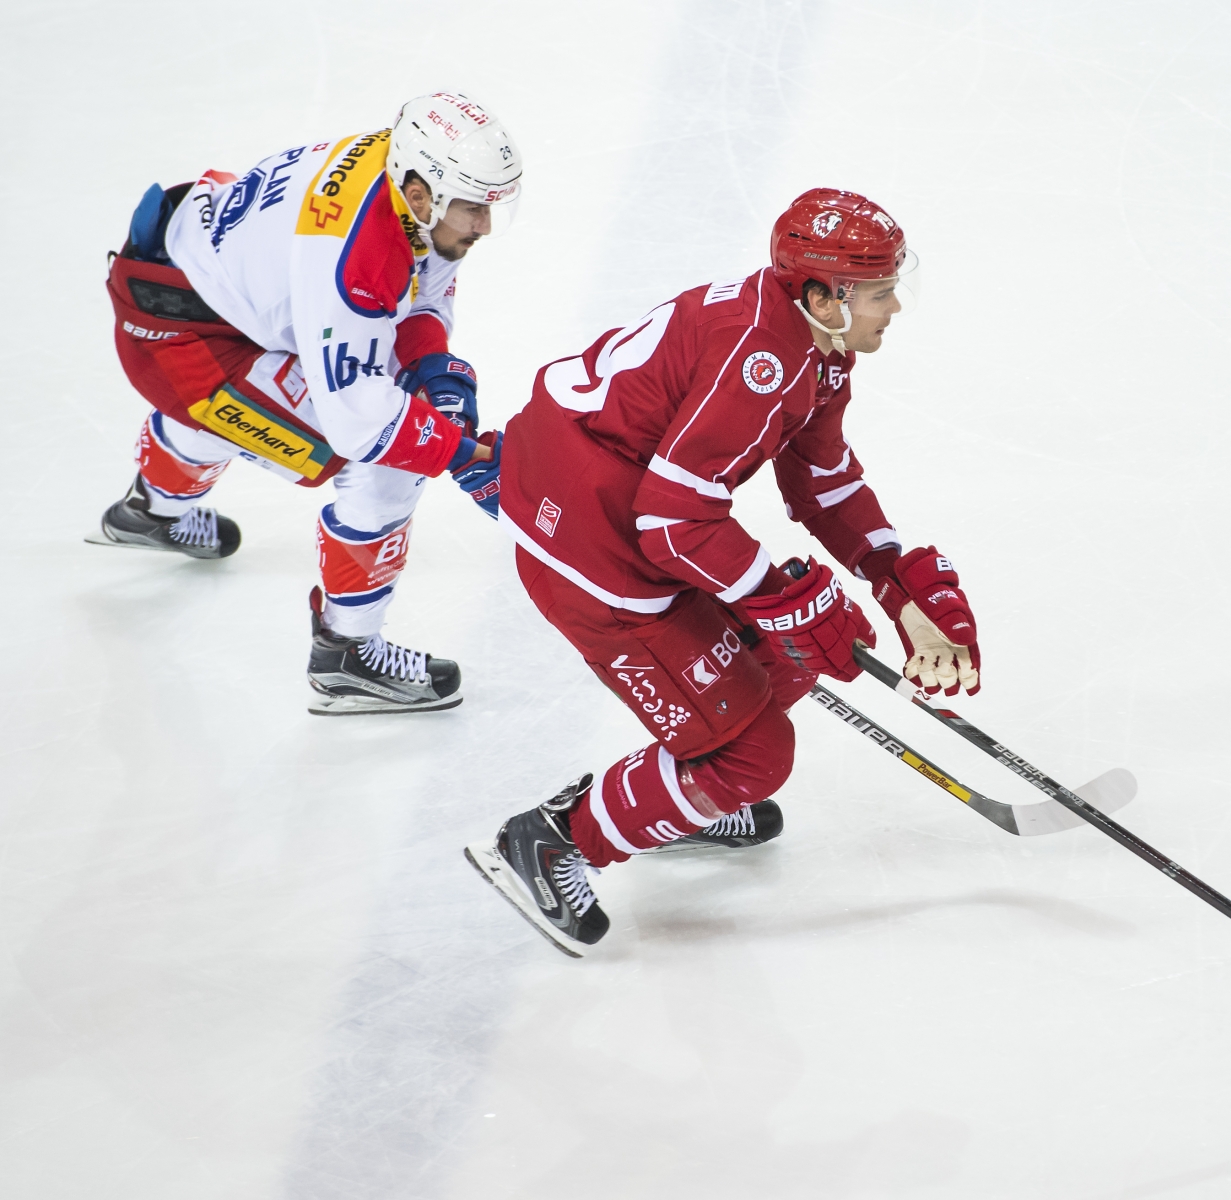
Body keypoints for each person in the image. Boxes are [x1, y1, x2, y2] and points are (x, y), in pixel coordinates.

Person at [465, 189, 982, 955]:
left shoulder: (813, 344)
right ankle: (552, 842)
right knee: (753, 754)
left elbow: (822, 482)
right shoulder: (762, 360)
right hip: (588, 540)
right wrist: (782, 598)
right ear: (823, 296)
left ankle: (673, 797)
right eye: (879, 292)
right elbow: (672, 521)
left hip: (618, 509)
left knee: (782, 656)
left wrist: (896, 580)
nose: (895, 306)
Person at [88, 92, 515, 714]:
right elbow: (361, 422)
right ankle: (347, 657)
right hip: (185, 343)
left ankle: (147, 513)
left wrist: (435, 371)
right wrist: (461, 453)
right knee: (385, 463)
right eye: (474, 208)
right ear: (422, 195)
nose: (484, 226)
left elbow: (420, 286)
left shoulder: (404, 182)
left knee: (279, 411)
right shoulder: (356, 254)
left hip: (196, 292)